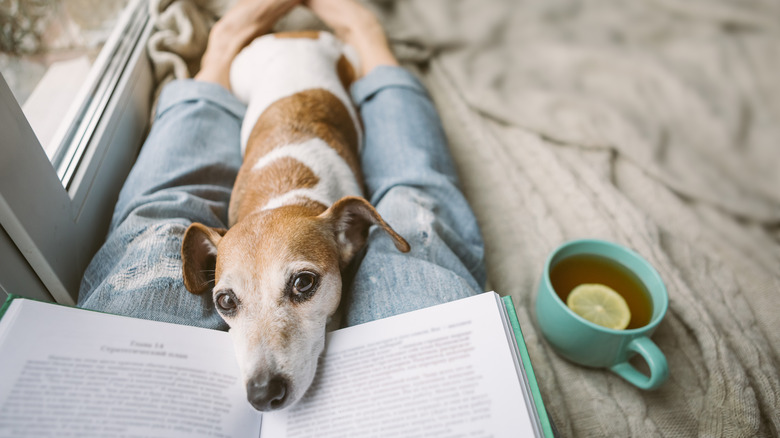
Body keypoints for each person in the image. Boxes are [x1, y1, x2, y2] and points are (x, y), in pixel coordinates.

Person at [78, 0, 486, 331]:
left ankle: (353, 35)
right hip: (266, 68)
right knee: (414, 195)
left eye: (303, 283)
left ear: (350, 231)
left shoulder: (338, 229)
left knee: (160, 215)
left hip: (328, 58)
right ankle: (359, 44)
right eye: (227, 301)